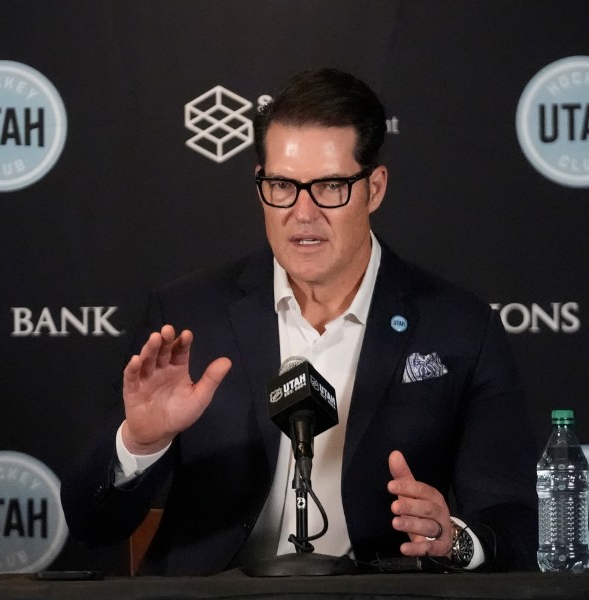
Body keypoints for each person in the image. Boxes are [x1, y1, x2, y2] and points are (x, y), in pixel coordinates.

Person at [61, 68, 538, 575]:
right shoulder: (186, 319)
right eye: (283, 186)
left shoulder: (459, 328)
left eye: (330, 186)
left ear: (374, 189)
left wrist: (453, 540)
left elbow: (512, 524)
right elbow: (93, 526)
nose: (302, 213)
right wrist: (140, 444)